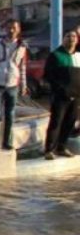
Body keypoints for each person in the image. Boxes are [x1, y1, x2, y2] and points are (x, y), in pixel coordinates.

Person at [0, 19, 28, 150]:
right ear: (5, 29)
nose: (11, 30)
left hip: (12, 84)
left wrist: (23, 85)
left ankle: (7, 141)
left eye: (14, 28)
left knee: (10, 113)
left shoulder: (22, 46)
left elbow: (22, 67)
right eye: (9, 28)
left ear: (18, 29)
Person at [43, 30, 80, 160]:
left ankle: (61, 147)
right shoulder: (55, 55)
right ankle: (49, 149)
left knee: (70, 122)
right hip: (60, 96)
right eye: (68, 36)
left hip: (76, 97)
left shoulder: (78, 56)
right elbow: (48, 76)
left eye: (74, 36)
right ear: (63, 39)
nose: (71, 38)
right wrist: (61, 90)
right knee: (56, 122)